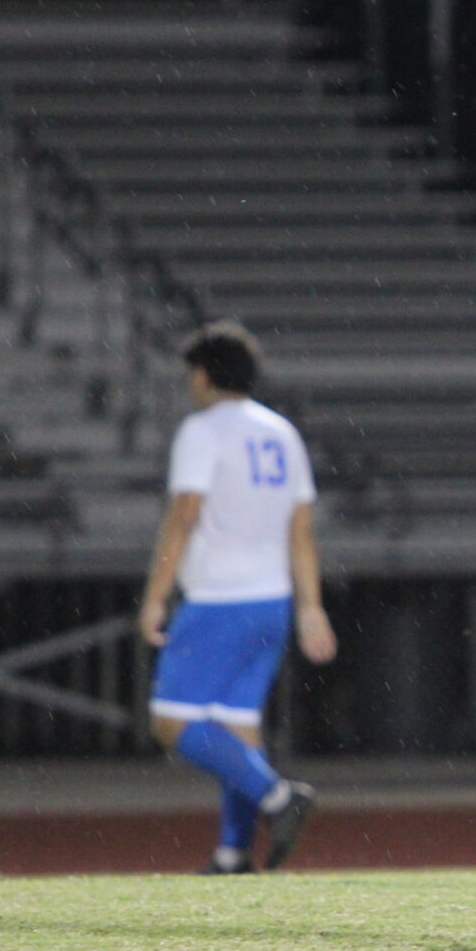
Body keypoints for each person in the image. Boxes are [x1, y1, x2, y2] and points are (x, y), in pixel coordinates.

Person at [139, 321, 338, 874]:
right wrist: (310, 605)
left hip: (219, 598)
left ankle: (276, 797)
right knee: (236, 730)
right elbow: (301, 529)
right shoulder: (281, 432)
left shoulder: (203, 431)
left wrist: (156, 595)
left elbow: (184, 516)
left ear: (201, 375)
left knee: (170, 721)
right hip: (270, 600)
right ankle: (232, 854)